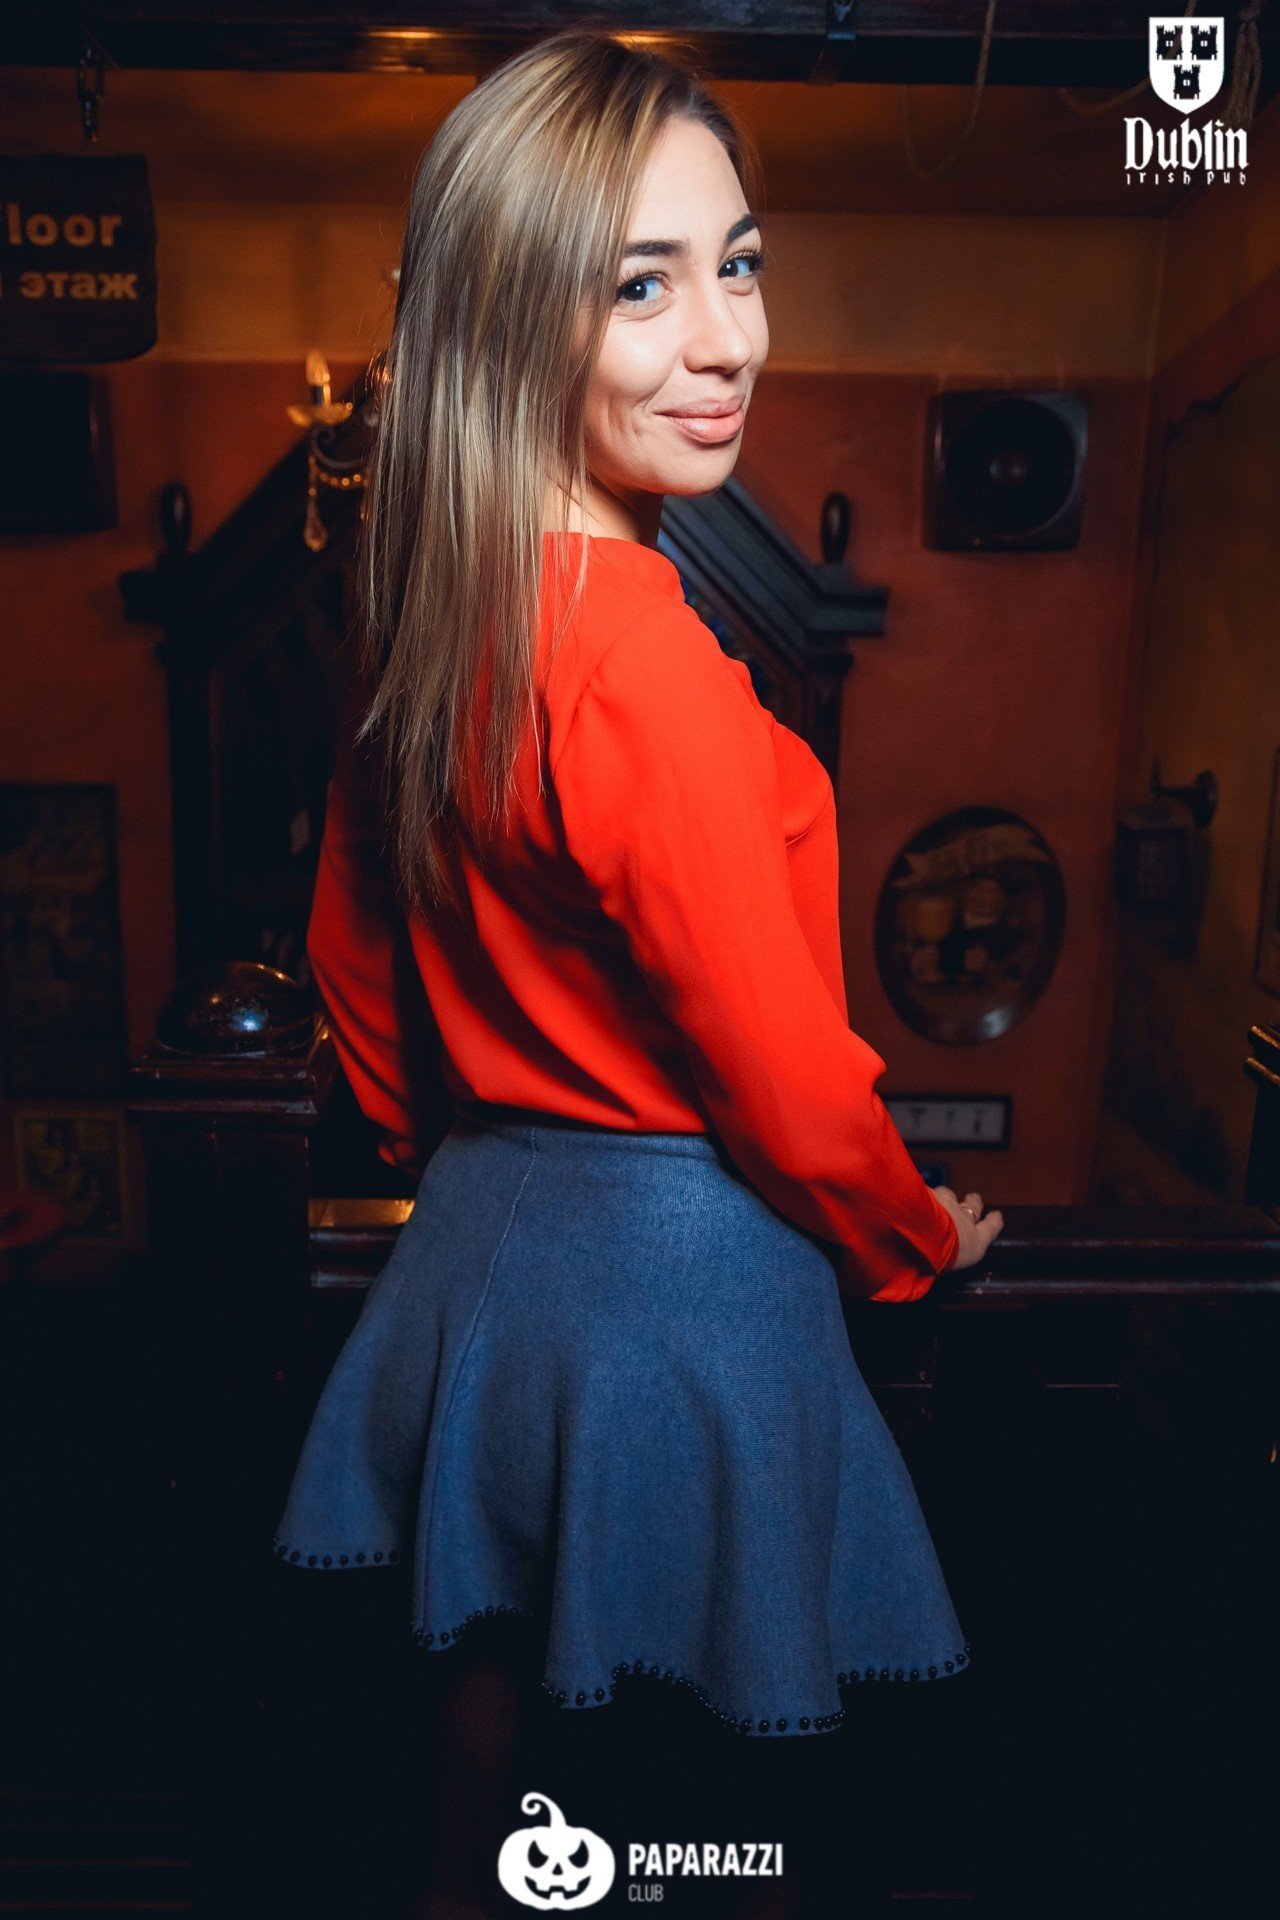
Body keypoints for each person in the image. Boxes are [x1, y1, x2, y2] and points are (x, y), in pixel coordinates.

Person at [269, 27, 1004, 1918]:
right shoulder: (647, 659)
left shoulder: (434, 611)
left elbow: (355, 970)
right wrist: (908, 1239)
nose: (729, 338)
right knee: (708, 1835)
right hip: (685, 1286)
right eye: (642, 286)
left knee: (497, 1786)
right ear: (515, 321)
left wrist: (458, 1157)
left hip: (486, 1258)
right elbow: (782, 1071)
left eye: (737, 263)